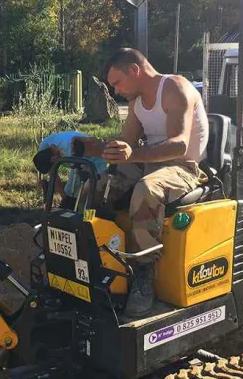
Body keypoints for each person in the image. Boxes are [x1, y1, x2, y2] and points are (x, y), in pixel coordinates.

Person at [94, 47, 209, 317]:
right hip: (151, 163)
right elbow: (128, 143)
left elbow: (179, 145)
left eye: (117, 83)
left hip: (184, 167)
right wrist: (98, 148)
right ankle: (97, 256)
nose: (115, 91)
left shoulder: (174, 88)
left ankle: (144, 272)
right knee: (97, 184)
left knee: (147, 189)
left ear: (134, 71)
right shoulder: (136, 103)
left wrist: (133, 154)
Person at [33, 131, 107, 209]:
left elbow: (80, 174)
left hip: (95, 158)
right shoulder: (43, 147)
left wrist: (67, 197)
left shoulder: (70, 150)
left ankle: (87, 210)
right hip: (78, 157)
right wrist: (63, 197)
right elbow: (53, 175)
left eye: (53, 165)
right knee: (70, 192)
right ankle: (69, 206)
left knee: (86, 190)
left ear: (53, 159)